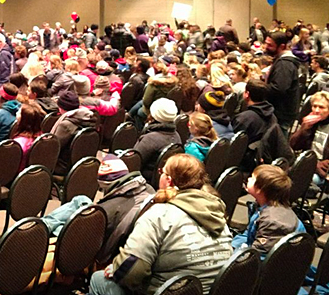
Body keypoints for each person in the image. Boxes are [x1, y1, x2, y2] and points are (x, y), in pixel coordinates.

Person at [88, 154, 232, 295]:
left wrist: (118, 269)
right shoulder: (216, 212)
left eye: (161, 172)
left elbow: (132, 273)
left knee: (98, 279)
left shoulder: (158, 215)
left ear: (168, 181)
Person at [232, 164, 304, 258]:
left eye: (252, 178)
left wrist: (233, 256)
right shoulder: (262, 205)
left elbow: (258, 258)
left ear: (260, 189)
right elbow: (249, 235)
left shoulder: (272, 222)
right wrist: (231, 246)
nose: (248, 179)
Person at [289, 91, 329, 183]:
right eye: (314, 106)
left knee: (302, 180)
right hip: (307, 163)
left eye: (321, 107)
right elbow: (294, 145)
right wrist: (304, 128)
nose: (316, 110)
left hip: (326, 173)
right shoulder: (311, 123)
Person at [133, 98, 182, 183]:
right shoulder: (177, 135)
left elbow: (134, 164)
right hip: (160, 180)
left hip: (144, 181)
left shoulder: (150, 139)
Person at [50, 90, 97, 175]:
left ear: (60, 107)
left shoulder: (66, 125)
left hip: (63, 166)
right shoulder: (90, 117)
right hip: (83, 163)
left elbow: (53, 148)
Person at [264, 31, 301, 136]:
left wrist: (260, 88)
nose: (266, 47)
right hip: (282, 111)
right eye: (266, 43)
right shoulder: (283, 61)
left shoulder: (285, 64)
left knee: (279, 146)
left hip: (281, 113)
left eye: (270, 45)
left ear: (282, 46)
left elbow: (279, 89)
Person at [12, 102, 45, 170]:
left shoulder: (18, 144)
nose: (17, 113)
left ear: (23, 119)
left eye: (19, 112)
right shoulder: (43, 137)